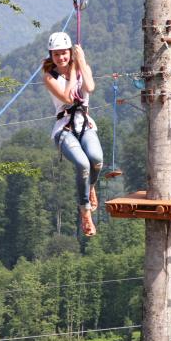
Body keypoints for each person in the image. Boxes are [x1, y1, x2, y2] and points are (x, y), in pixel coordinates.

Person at [43, 32, 103, 236]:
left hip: (84, 123)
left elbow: (90, 87)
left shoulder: (82, 68)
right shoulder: (50, 77)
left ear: (70, 52)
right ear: (51, 56)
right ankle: (85, 211)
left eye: (64, 53)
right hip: (64, 128)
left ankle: (90, 185)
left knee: (96, 159)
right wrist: (74, 68)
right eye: (56, 54)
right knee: (83, 164)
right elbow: (68, 98)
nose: (61, 58)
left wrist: (81, 62)